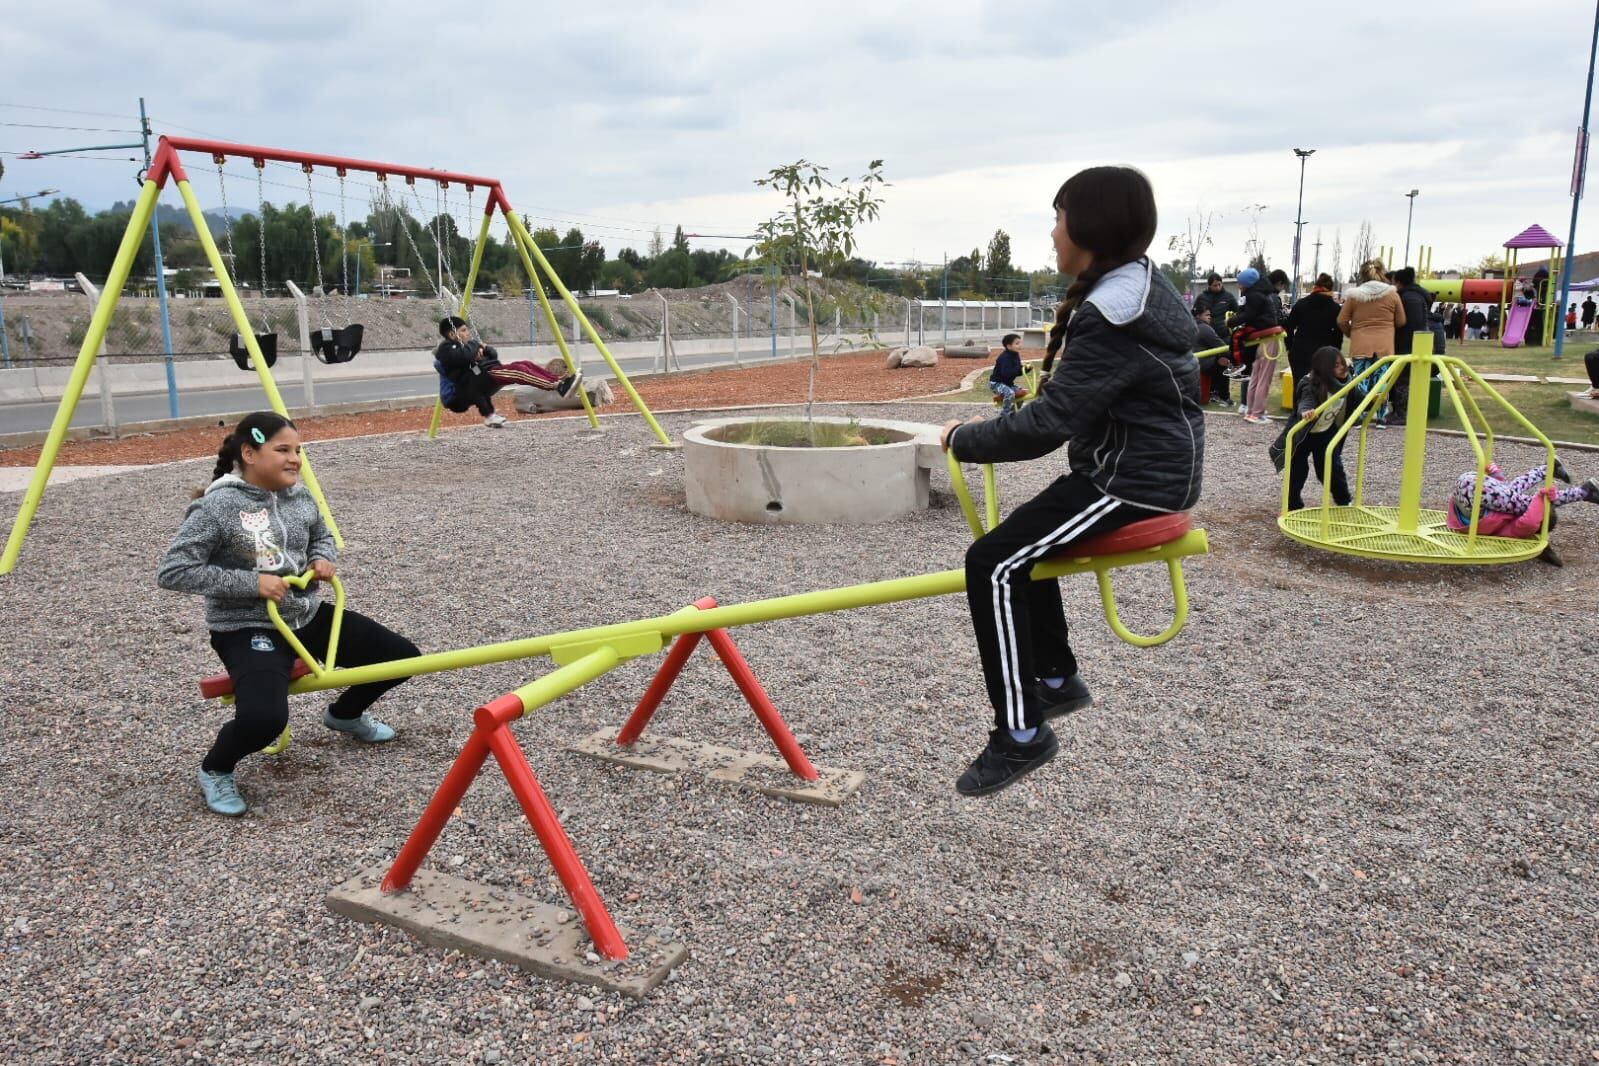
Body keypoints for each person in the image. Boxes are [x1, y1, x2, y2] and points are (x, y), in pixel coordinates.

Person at [939, 165, 1204, 798]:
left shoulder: (1111, 314)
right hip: (1135, 471)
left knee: (993, 563)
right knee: (1021, 544)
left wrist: (962, 438)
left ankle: (1021, 734)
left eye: (1057, 220)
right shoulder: (1135, 289)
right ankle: (1056, 679)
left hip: (1133, 483)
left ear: (1087, 227)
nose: (1052, 235)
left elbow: (1046, 427)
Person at [157, 412, 422, 817]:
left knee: (402, 657)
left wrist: (321, 557)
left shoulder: (299, 495)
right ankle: (216, 768)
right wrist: (253, 583)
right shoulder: (218, 506)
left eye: (297, 450)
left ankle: (344, 715)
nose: (295, 459)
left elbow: (322, 533)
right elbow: (174, 571)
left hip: (306, 613)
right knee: (264, 719)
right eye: (282, 449)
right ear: (249, 453)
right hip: (249, 626)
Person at [435, 316, 581, 427]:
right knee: (518, 371)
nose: (468, 333)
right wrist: (475, 346)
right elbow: (465, 356)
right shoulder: (447, 349)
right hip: (470, 386)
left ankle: (558, 380)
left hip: (483, 376)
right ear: (452, 335)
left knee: (524, 364)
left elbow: (492, 356)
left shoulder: (466, 346)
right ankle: (557, 387)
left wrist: (486, 350)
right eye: (464, 330)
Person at [1448, 458, 1598, 567]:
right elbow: (1530, 521)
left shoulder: (1514, 520)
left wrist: (1541, 497)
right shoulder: (1518, 521)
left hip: (1470, 489)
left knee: (1519, 496)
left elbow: (1528, 518)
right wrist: (1541, 498)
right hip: (1469, 497)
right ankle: (1584, 492)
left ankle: (1558, 476)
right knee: (1521, 499)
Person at [1337, 259, 1405, 426]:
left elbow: (1342, 320)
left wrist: (1352, 334)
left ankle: (1359, 417)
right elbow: (1401, 320)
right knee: (1382, 381)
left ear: (1362, 275)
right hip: (1385, 346)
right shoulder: (1392, 295)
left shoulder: (1354, 296)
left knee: (1361, 381)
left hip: (1360, 344)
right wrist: (1388, 328)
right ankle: (1380, 417)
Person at [1285, 346, 1354, 511]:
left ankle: (1344, 501)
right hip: (1304, 433)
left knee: (1332, 469)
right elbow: (1305, 399)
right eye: (1336, 366)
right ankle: (1293, 505)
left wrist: (1374, 400)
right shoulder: (1310, 383)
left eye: (1342, 363)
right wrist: (1305, 411)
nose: (1342, 368)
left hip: (1325, 432)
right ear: (1325, 369)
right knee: (1297, 471)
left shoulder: (1347, 382)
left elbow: (1359, 398)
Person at [1284, 272, 1342, 391]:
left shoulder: (1301, 304)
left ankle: (1299, 409)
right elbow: (1338, 334)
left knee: (1299, 386)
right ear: (1331, 289)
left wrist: (1289, 346)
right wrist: (1335, 352)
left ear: (1315, 286)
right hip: (1325, 354)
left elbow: (1288, 327)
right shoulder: (1335, 308)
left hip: (1300, 351)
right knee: (1321, 388)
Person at [1192, 272, 1239, 339]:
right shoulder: (1201, 298)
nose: (1218, 287)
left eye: (1219, 284)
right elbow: (1194, 314)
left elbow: (1237, 312)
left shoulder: (1229, 297)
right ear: (1209, 285)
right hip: (1207, 334)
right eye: (1215, 285)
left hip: (1225, 334)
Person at [990, 332, 1024, 413]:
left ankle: (1014, 412)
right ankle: (1006, 413)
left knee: (1022, 393)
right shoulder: (1005, 357)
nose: (1020, 345)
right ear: (1009, 346)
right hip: (997, 383)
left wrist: (1025, 369)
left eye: (1020, 343)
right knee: (1010, 393)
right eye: (1017, 343)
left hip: (1007, 384)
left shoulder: (1016, 355)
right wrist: (1018, 369)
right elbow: (1006, 373)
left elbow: (1018, 371)